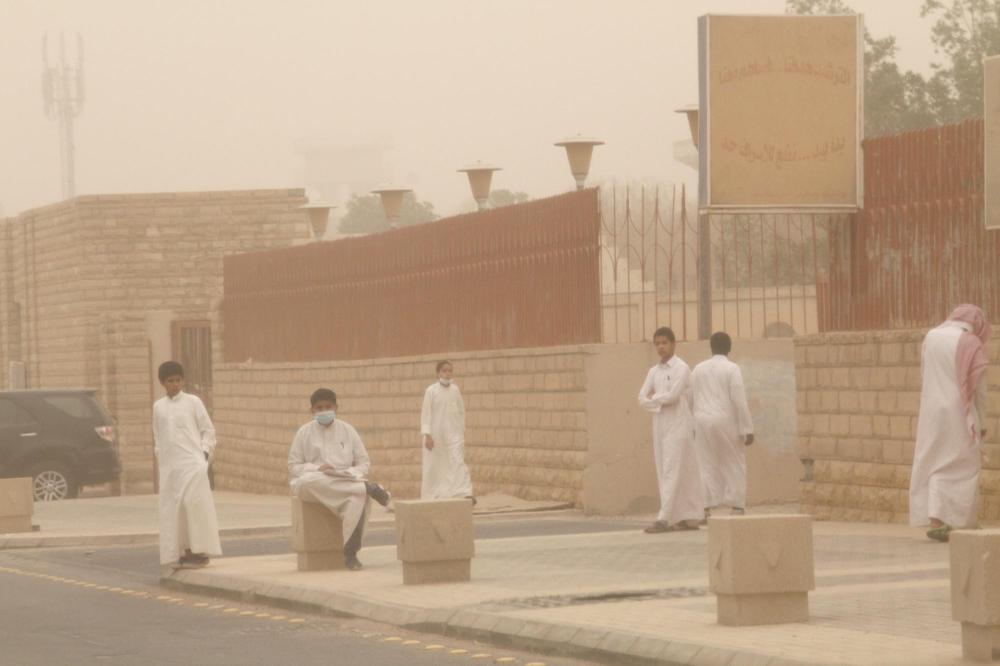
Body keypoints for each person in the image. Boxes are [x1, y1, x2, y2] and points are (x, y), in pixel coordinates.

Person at [910, 304, 991, 542]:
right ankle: (960, 520)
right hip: (959, 413)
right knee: (965, 466)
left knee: (936, 463)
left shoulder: (932, 336)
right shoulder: (971, 343)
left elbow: (925, 374)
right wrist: (982, 421)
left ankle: (936, 519)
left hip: (931, 412)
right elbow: (980, 388)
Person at [288, 388, 392, 570]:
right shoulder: (304, 433)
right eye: (319, 408)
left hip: (346, 481)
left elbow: (364, 463)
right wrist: (317, 468)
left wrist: (348, 473)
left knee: (358, 497)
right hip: (315, 485)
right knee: (307, 481)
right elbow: (294, 467)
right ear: (312, 410)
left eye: (328, 407)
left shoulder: (348, 430)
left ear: (336, 407)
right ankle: (369, 488)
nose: (323, 411)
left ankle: (350, 553)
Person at [153, 361, 221, 569]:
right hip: (171, 468)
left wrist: (204, 455)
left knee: (194, 505)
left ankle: (200, 551)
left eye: (178, 380)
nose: (175, 384)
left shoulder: (193, 402)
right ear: (163, 383)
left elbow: (207, 430)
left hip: (193, 464)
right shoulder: (158, 407)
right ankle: (185, 551)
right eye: (170, 381)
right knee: (176, 509)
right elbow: (158, 437)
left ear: (183, 380)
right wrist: (163, 463)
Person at [638, 327, 705, 533]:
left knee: (673, 469)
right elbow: (641, 398)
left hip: (679, 425)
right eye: (657, 343)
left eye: (664, 343)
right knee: (667, 468)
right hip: (660, 425)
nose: (661, 347)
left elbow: (674, 396)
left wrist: (655, 400)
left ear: (673, 344)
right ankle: (688, 516)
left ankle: (664, 518)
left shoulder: (682, 368)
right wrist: (660, 401)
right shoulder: (653, 371)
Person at [690, 332, 755, 523]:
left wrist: (694, 422)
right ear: (729, 348)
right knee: (734, 462)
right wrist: (747, 428)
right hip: (725, 421)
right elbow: (739, 399)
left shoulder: (698, 369)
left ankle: (704, 509)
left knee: (705, 464)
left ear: (711, 347)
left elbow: (690, 396)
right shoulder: (732, 369)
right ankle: (737, 506)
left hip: (701, 420)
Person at [420, 360, 475, 503]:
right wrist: (428, 435)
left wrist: (461, 431)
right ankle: (436, 493)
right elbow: (426, 414)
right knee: (436, 465)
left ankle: (464, 492)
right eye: (444, 371)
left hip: (454, 434)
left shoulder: (455, 390)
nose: (447, 373)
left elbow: (461, 411)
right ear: (438, 373)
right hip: (436, 436)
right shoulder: (431, 391)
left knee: (457, 460)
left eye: (450, 370)